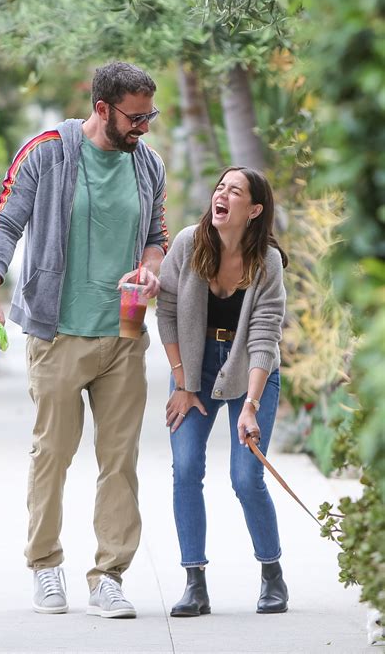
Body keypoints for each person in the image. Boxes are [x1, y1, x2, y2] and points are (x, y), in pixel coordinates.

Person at [0, 61, 168, 618]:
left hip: (126, 329)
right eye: (135, 117)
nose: (145, 128)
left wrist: (152, 267)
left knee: (119, 459)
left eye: (149, 115)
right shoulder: (46, 153)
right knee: (52, 454)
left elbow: (155, 235)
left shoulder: (147, 163)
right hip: (58, 331)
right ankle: (46, 565)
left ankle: (109, 574)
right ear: (102, 108)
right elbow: (4, 224)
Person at [156, 166, 288, 617]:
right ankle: (195, 583)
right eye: (220, 187)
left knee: (246, 477)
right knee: (186, 466)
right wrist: (181, 382)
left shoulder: (267, 262)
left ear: (253, 210)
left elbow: (265, 336)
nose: (222, 194)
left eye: (235, 191)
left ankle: (272, 575)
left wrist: (250, 405)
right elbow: (167, 312)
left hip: (251, 369)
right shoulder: (189, 244)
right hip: (194, 367)